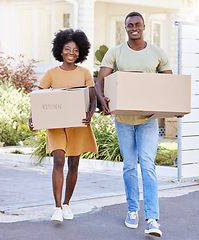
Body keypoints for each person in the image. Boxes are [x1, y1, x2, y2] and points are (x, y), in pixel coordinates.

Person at [95, 11, 172, 237]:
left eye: (137, 24)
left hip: (148, 119)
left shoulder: (157, 53)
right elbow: (100, 81)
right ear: (125, 28)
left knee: (147, 166)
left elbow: (169, 86)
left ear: (144, 26)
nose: (134, 28)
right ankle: (132, 210)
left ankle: (152, 219)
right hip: (123, 120)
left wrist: (174, 110)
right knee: (129, 166)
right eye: (130, 25)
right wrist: (103, 100)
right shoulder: (115, 52)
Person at [29, 29, 97, 222]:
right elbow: (38, 100)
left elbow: (92, 101)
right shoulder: (51, 74)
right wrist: (32, 117)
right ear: (60, 50)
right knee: (58, 161)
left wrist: (90, 115)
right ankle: (57, 207)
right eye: (67, 49)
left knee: (73, 164)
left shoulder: (84, 73)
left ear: (80, 52)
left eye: (75, 50)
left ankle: (67, 204)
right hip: (56, 125)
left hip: (78, 125)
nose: (71, 53)